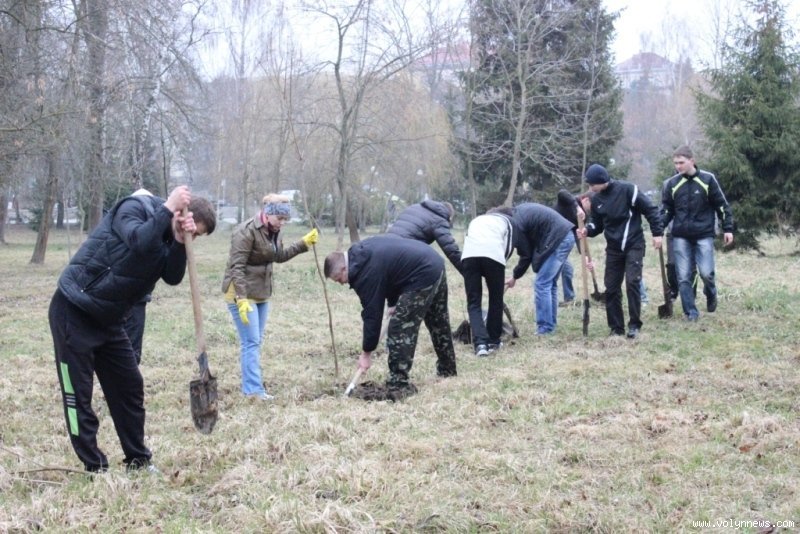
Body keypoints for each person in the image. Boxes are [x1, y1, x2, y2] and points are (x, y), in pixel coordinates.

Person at [49, 186, 216, 473]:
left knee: (129, 387)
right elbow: (139, 241)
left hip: (111, 319)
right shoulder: (133, 208)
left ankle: (138, 460)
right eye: (194, 232)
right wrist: (167, 209)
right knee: (78, 395)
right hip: (74, 309)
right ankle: (94, 466)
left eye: (197, 236)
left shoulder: (171, 233)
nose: (194, 238)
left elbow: (172, 276)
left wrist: (179, 240)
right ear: (177, 212)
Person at [324, 236, 457, 396]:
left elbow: (372, 315)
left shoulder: (364, 273)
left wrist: (366, 353)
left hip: (421, 272)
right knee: (438, 321)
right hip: (434, 262)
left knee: (399, 327)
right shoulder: (361, 255)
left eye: (339, 279)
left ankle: (398, 384)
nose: (341, 283)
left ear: (344, 268)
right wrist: (393, 302)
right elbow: (390, 271)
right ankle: (448, 369)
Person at [221, 194, 319, 400]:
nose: (282, 223)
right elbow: (236, 266)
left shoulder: (274, 231)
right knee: (251, 342)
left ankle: (253, 387)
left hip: (261, 292)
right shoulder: (246, 231)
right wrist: (241, 298)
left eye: (285, 219)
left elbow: (278, 256)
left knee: (255, 341)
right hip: (241, 292)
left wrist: (303, 244)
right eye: (279, 218)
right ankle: (253, 391)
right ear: (268, 213)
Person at [577, 164, 663, 339]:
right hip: (614, 248)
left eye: (592, 184)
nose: (590, 188)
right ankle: (616, 328)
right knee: (611, 288)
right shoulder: (597, 200)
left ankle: (634, 325)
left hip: (634, 244)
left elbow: (651, 210)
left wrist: (657, 233)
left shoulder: (628, 190)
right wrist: (587, 230)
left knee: (632, 282)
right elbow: (597, 224)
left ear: (602, 180)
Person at [660, 145, 734, 321]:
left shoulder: (708, 179)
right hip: (681, 236)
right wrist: (658, 230)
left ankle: (711, 292)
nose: (678, 166)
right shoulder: (672, 183)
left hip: (704, 234)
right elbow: (666, 210)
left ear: (692, 161)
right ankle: (691, 312)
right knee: (684, 276)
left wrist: (728, 228)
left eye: (681, 162)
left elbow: (721, 205)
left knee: (706, 273)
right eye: (676, 163)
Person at [505, 202, 575, 336]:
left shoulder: (516, 222)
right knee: (550, 283)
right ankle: (550, 325)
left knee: (542, 283)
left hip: (559, 238)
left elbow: (526, 254)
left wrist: (515, 276)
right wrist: (515, 276)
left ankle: (545, 328)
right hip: (566, 235)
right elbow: (529, 249)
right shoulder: (520, 213)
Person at [461, 206, 517, 356]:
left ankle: (480, 344)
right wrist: (501, 264)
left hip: (469, 257)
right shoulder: (508, 221)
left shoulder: (477, 219)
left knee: (474, 302)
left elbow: (468, 239)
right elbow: (509, 247)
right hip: (494, 257)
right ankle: (493, 341)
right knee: (495, 300)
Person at [387, 199, 462, 273]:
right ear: (449, 216)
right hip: (404, 250)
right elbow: (451, 250)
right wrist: (467, 272)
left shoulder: (414, 207)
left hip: (386, 244)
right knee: (436, 263)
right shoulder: (439, 219)